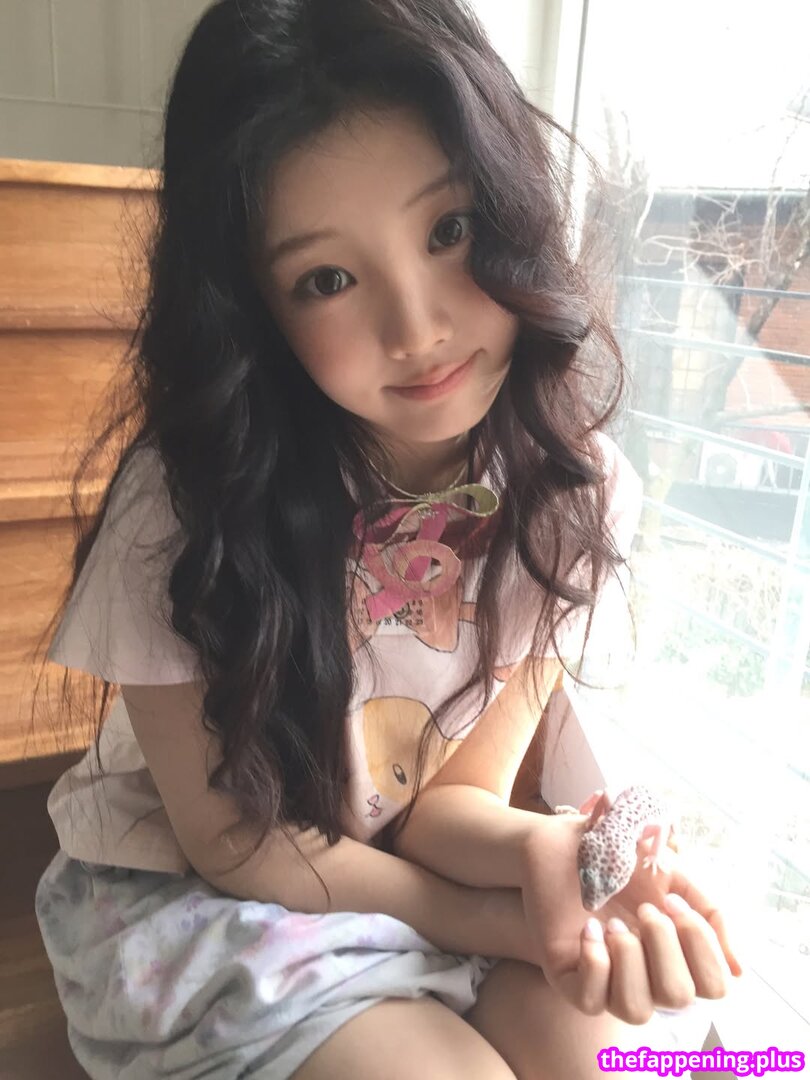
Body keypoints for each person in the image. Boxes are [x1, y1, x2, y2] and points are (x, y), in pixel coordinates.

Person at [34, 1, 742, 1077]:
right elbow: (236, 844)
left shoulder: (572, 495)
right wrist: (496, 922)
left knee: (610, 1056)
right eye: (327, 279)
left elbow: (448, 804)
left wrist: (554, 852)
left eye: (449, 230)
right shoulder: (185, 503)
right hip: (209, 895)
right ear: (253, 307)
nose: (418, 329)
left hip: (409, 869)